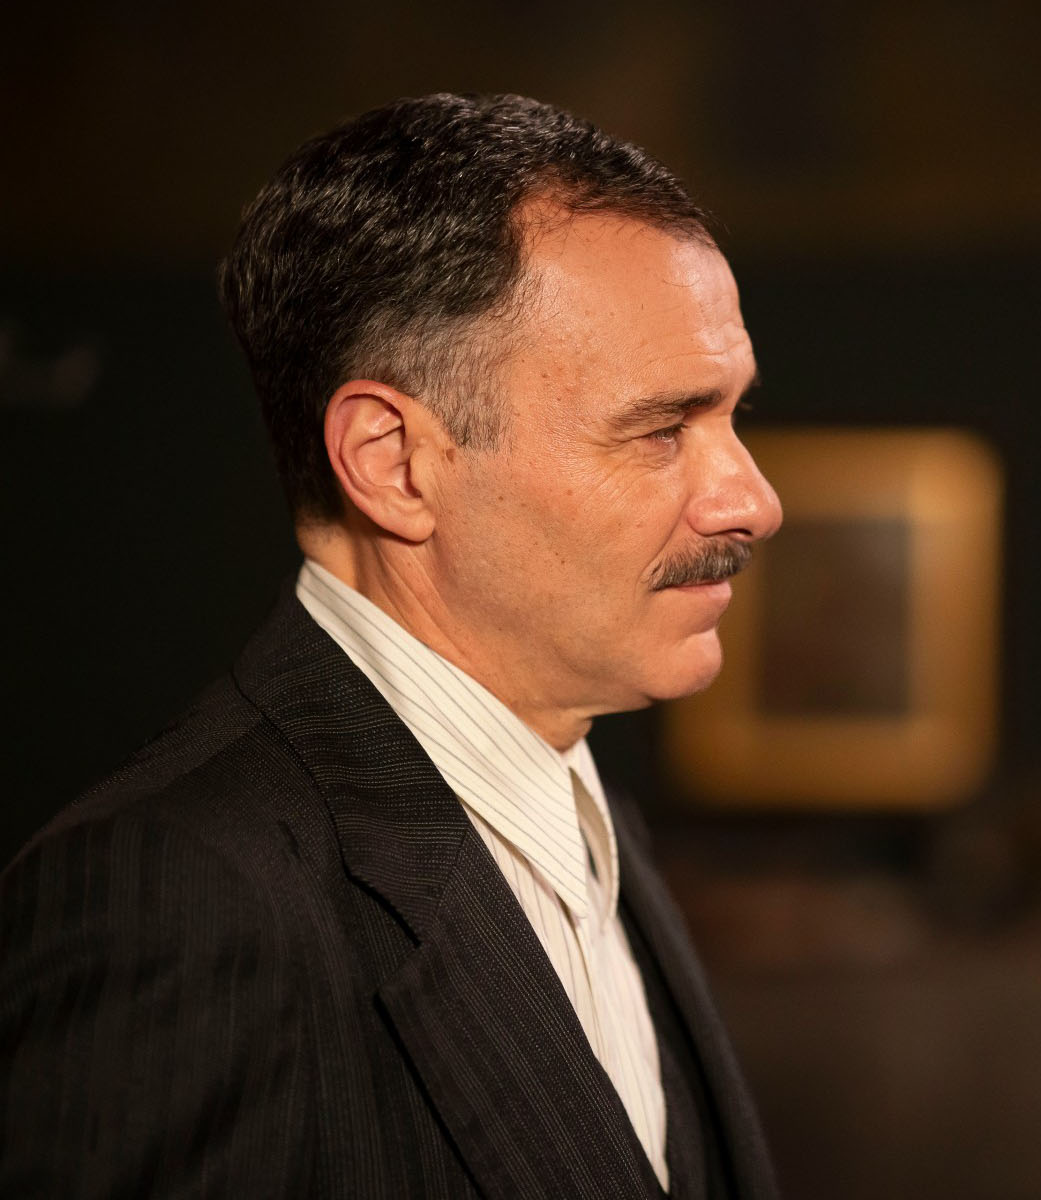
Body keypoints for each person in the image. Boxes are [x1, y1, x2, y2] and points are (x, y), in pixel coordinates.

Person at [0, 94, 782, 1198]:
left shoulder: (589, 818)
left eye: (733, 417)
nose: (754, 500)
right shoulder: (179, 903)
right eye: (662, 429)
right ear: (393, 464)